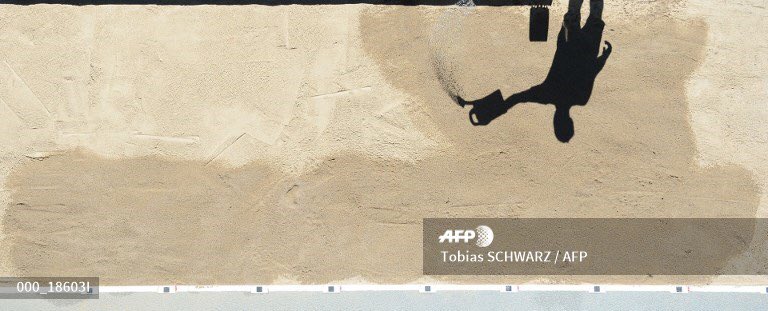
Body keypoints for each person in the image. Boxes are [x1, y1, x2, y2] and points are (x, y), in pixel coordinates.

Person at [458, 0, 611, 142]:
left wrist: (604, 57)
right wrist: (491, 113)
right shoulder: (547, 94)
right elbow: (516, 98)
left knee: (593, 11)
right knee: (575, 11)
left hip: (585, 45)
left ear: (570, 122)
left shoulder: (581, 98)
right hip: (572, 39)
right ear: (555, 121)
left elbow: (592, 71)